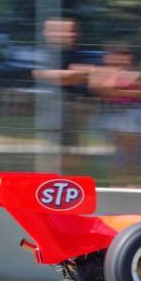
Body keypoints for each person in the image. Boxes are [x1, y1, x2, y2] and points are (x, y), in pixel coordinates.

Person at [32, 17, 92, 172]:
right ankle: (53, 177)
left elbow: (79, 75)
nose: (71, 34)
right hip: (50, 104)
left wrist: (50, 75)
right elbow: (36, 74)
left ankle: (65, 178)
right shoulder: (46, 53)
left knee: (68, 146)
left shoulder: (77, 53)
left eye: (72, 31)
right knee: (51, 146)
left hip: (69, 103)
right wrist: (63, 76)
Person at [89, 44, 141, 186]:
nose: (121, 58)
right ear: (106, 57)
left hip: (134, 113)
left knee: (135, 153)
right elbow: (101, 91)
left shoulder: (138, 72)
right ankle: (118, 183)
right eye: (115, 54)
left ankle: (135, 183)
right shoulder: (99, 71)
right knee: (119, 153)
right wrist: (125, 89)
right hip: (110, 113)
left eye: (125, 54)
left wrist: (116, 90)